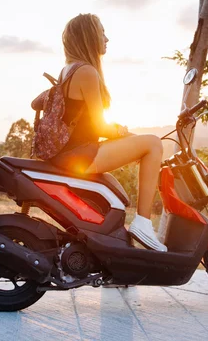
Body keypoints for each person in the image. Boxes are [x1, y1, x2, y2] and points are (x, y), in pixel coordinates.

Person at [48, 13, 167, 252]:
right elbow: (99, 127)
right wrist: (119, 131)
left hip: (70, 152)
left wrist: (123, 135)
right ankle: (143, 222)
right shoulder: (87, 72)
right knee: (154, 144)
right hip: (80, 154)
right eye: (102, 32)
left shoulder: (68, 70)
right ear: (89, 37)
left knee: (141, 143)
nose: (107, 38)